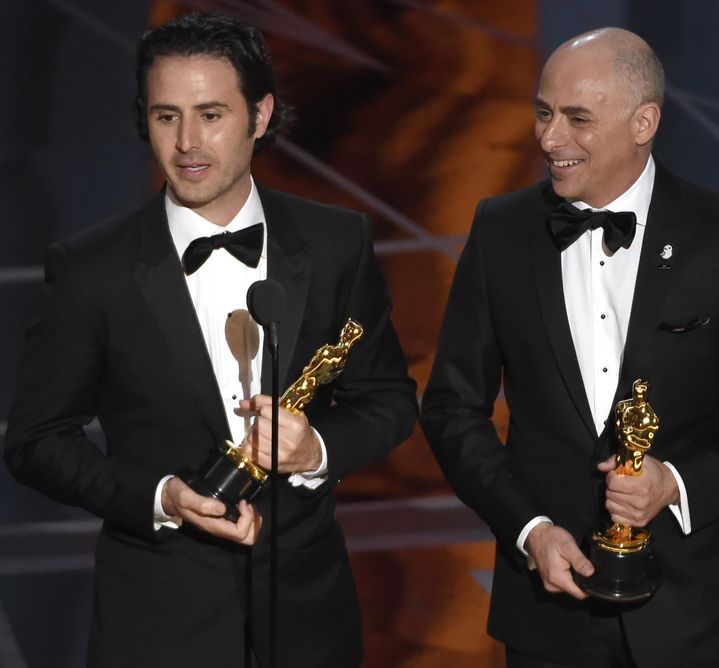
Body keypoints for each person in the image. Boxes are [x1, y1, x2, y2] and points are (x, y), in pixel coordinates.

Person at [4, 12, 416, 668]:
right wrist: (160, 496)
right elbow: (35, 440)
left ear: (260, 115)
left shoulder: (338, 243)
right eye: (167, 117)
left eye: (212, 114)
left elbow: (389, 400)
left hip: (309, 623)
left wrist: (315, 449)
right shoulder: (92, 268)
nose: (189, 143)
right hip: (157, 626)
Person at [420, 27, 719, 668]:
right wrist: (528, 529)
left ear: (644, 123)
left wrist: (679, 484)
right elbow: (451, 408)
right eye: (544, 113)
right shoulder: (501, 232)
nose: (550, 139)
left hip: (695, 619)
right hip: (549, 617)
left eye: (578, 119)